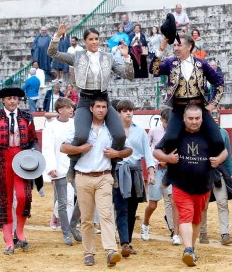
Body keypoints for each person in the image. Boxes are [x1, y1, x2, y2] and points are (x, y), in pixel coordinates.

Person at [48, 19, 134, 184]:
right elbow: (53, 53)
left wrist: (126, 57)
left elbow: (128, 76)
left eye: (96, 39)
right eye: (91, 39)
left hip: (103, 99)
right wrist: (58, 35)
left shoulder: (108, 57)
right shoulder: (77, 56)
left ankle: (113, 168)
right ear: (85, 42)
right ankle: (73, 165)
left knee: (120, 135)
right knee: (80, 135)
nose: (95, 42)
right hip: (85, 99)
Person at [60, 97, 132, 267]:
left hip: (104, 176)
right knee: (86, 219)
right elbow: (63, 147)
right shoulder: (80, 128)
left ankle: (110, 251)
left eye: (104, 107)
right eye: (98, 107)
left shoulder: (112, 129)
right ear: (91, 109)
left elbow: (128, 149)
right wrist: (80, 149)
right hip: (83, 177)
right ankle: (88, 252)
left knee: (106, 214)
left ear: (108, 110)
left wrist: (117, 154)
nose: (101, 110)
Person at [153, 104, 228, 267]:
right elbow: (156, 151)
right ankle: (187, 249)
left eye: (197, 118)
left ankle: (191, 249)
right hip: (181, 184)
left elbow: (224, 152)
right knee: (186, 215)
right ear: (184, 119)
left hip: (203, 185)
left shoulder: (209, 134)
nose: (194, 122)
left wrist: (219, 160)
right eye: (190, 118)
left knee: (196, 219)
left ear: (202, 118)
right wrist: (167, 158)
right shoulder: (175, 135)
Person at [149, 32, 225, 158]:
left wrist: (213, 104)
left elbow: (219, 82)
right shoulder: (170, 62)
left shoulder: (202, 64)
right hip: (179, 109)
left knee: (217, 141)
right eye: (174, 46)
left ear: (189, 47)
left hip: (199, 109)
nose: (175, 48)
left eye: (179, 45)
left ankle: (209, 165)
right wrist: (161, 48)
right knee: (170, 140)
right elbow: (154, 70)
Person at [0, 86, 38, 255]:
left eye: (15, 98)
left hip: (22, 160)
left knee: (24, 197)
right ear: (3, 100)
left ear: (19, 100)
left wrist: (35, 156)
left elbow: (33, 140)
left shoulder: (27, 117)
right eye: (9, 98)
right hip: (2, 160)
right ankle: (9, 242)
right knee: (5, 201)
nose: (12, 101)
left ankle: (19, 232)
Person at [112, 100, 155, 257]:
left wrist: (151, 173)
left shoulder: (140, 131)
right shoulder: (112, 130)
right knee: (121, 208)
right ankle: (124, 242)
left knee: (132, 209)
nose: (128, 113)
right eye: (124, 110)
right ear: (119, 113)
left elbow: (148, 154)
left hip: (135, 171)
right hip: (118, 171)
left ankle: (127, 241)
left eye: (130, 110)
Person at [42, 97, 82, 245]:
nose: (72, 109)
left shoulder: (76, 123)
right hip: (59, 167)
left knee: (82, 199)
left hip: (77, 167)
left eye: (72, 107)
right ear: (60, 110)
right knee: (64, 202)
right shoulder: (50, 126)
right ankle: (66, 232)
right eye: (68, 107)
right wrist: (51, 167)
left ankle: (72, 224)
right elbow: (47, 147)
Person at [142, 108, 181, 245]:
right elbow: (147, 150)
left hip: (171, 170)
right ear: (162, 120)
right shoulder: (153, 131)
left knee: (174, 201)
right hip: (157, 170)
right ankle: (145, 224)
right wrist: (154, 165)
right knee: (153, 204)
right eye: (167, 122)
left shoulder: (176, 132)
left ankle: (176, 234)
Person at [199, 107, 232, 246]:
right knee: (203, 204)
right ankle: (203, 233)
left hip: (218, 172)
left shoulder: (223, 133)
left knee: (222, 202)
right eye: (210, 114)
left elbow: (228, 156)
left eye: (216, 113)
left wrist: (231, 173)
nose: (214, 116)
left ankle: (225, 234)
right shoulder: (199, 133)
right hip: (203, 173)